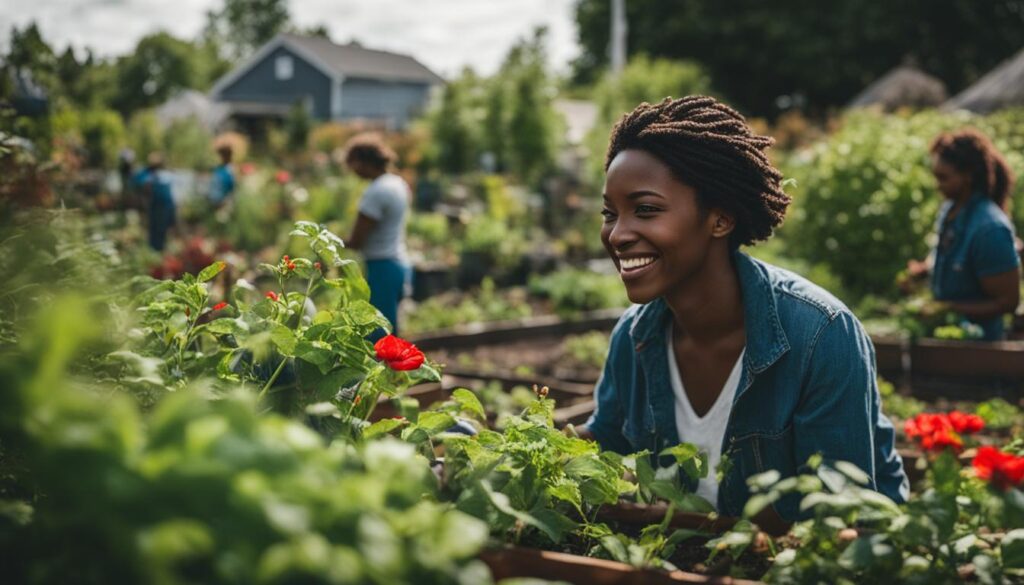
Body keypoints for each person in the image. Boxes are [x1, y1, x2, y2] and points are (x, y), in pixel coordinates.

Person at [577, 96, 908, 530]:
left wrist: (670, 522)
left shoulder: (820, 335)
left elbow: (839, 521)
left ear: (720, 220)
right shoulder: (635, 336)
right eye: (610, 213)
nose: (618, 234)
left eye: (646, 210)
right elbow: (603, 445)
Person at [906, 129, 1020, 340]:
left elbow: (1008, 301)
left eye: (944, 178)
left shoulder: (990, 228)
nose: (937, 185)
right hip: (947, 338)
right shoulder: (950, 211)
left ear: (967, 176)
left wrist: (949, 308)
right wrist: (924, 270)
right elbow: (952, 256)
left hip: (980, 346)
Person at [343, 133, 411, 336]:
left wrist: (327, 241)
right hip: (399, 263)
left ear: (363, 162)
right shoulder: (397, 183)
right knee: (390, 333)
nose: (352, 170)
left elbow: (356, 241)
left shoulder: (376, 192)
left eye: (352, 164)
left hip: (381, 267)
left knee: (378, 337)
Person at [134, 152, 177, 252]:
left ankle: (157, 252)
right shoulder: (149, 176)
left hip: (160, 207)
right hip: (156, 207)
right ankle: (156, 252)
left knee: (158, 232)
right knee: (156, 231)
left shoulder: (161, 176)